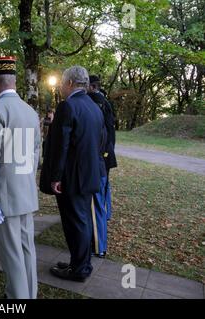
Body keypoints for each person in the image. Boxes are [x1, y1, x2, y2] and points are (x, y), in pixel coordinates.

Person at [39, 66, 107, 282]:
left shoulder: (68, 106)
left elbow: (61, 145)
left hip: (72, 177)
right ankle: (81, 263)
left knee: (75, 224)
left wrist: (56, 177)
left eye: (61, 82)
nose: (60, 86)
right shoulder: (94, 106)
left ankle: (79, 269)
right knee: (83, 220)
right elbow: (101, 140)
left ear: (69, 83)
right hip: (89, 174)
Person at [0, 56, 40, 299]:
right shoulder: (30, 111)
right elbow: (36, 152)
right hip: (25, 191)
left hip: (4, 196)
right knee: (27, 250)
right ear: (14, 81)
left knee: (12, 255)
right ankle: (29, 295)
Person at [88, 75, 118, 257]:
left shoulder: (96, 103)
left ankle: (99, 246)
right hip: (105, 157)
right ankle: (105, 221)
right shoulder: (105, 102)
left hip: (100, 157)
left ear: (91, 87)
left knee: (97, 203)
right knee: (103, 197)